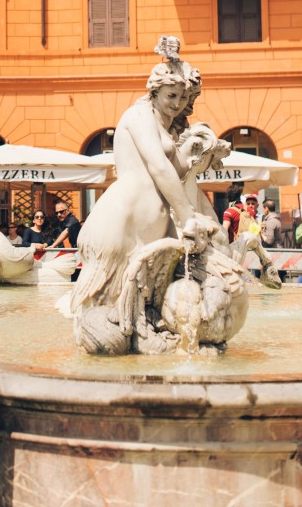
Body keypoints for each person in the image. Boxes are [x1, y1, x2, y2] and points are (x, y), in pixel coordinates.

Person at [72, 52, 217, 327]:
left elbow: (177, 173)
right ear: (155, 91)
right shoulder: (138, 115)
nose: (177, 104)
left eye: (184, 98)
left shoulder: (165, 128)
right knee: (103, 305)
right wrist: (187, 216)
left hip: (151, 227)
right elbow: (159, 167)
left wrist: (201, 151)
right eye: (171, 95)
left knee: (147, 306)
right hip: (122, 221)